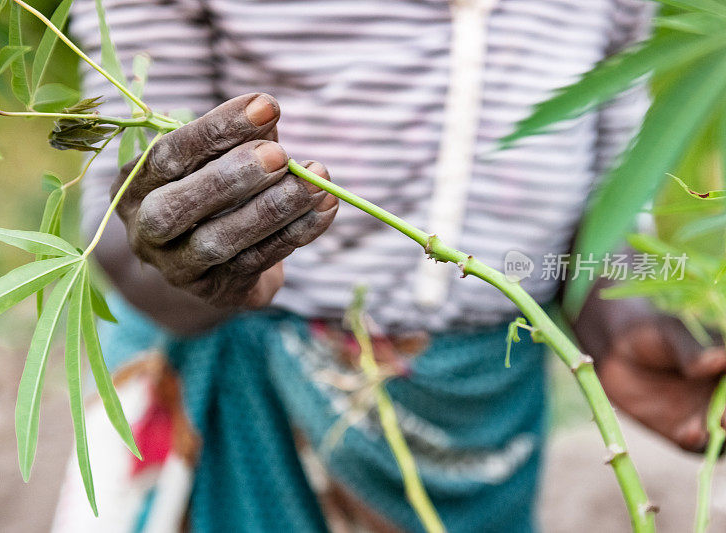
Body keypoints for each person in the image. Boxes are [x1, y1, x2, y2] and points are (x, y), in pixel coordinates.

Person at [51, 0, 726, 531]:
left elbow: (608, 204)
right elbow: (127, 217)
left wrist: (618, 320)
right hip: (237, 400)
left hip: (489, 418)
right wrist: (193, 259)